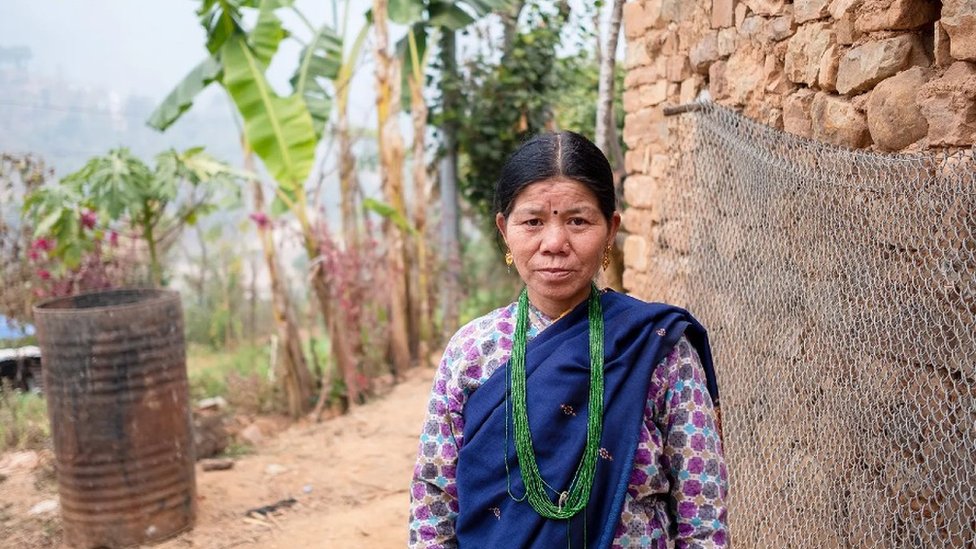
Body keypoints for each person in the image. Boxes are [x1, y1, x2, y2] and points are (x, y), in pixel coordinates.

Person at [408, 131, 728, 549]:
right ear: (505, 230)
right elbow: (434, 503)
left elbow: (702, 512)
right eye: (533, 221)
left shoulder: (659, 351)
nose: (555, 244)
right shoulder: (472, 353)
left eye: (578, 221)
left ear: (610, 229)